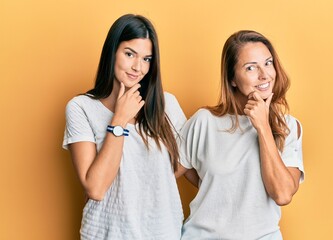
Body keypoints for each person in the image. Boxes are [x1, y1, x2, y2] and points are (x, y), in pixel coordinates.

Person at [62, 14, 186, 239]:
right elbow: (96, 188)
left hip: (162, 232)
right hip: (106, 233)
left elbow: (185, 164)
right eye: (130, 54)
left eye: (147, 59)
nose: (138, 67)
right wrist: (119, 120)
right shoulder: (81, 108)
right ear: (112, 52)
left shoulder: (166, 104)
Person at [175, 30, 305, 240]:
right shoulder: (205, 121)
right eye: (251, 67)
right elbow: (164, 175)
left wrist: (263, 126)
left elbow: (282, 194)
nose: (264, 75)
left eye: (268, 63)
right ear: (232, 79)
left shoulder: (288, 127)